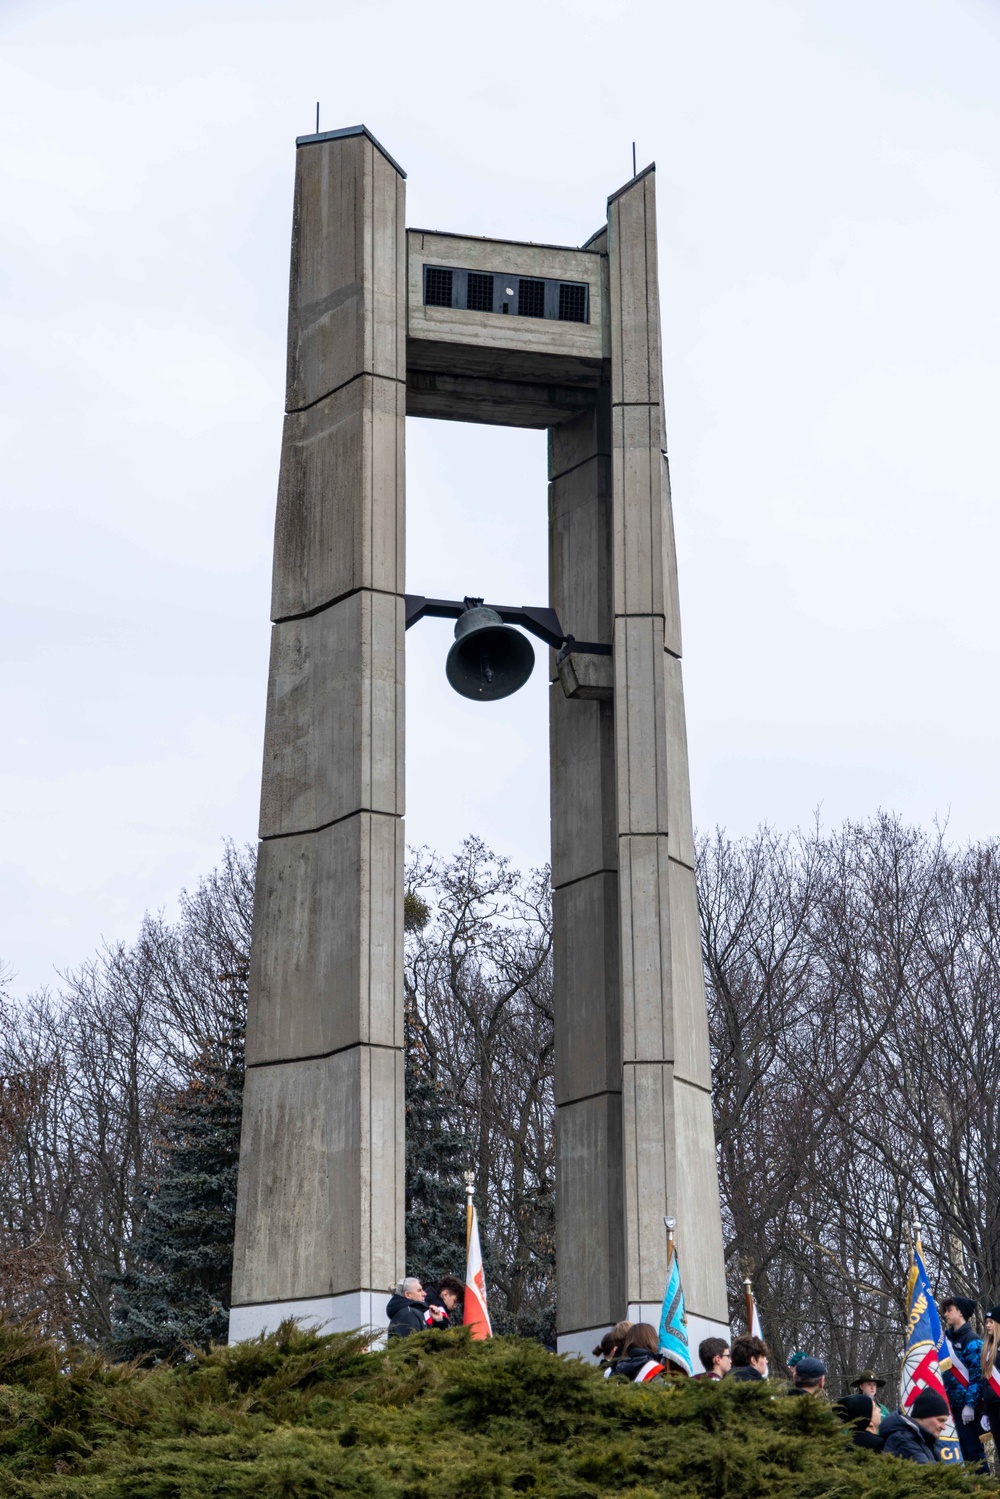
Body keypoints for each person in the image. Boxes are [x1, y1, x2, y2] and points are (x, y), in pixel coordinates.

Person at [941, 1294, 986, 1469]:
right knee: (959, 1453)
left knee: (974, 1452)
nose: (946, 1314)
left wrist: (970, 1404)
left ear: (960, 1312)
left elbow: (977, 1375)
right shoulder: (945, 1341)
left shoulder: (972, 1340)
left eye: (949, 1310)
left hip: (967, 1408)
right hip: (949, 1405)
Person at [880, 1389, 950, 1463]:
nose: (944, 1427)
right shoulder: (904, 1440)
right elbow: (927, 1472)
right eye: (940, 1420)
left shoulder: (924, 1439)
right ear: (924, 1416)